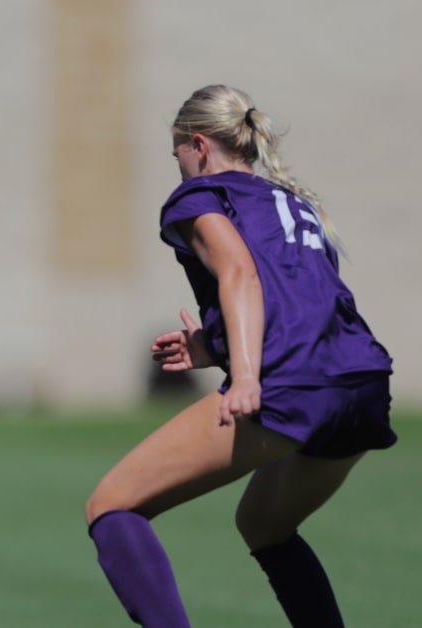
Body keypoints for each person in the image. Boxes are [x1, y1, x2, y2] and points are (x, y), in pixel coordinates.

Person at [85, 84, 395, 628]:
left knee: (112, 506)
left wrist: (247, 374)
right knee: (264, 526)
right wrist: (214, 345)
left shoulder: (198, 196)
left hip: (289, 382)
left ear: (198, 145)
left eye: (176, 153)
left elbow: (239, 272)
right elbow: (302, 300)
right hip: (361, 381)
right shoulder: (292, 201)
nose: (177, 165)